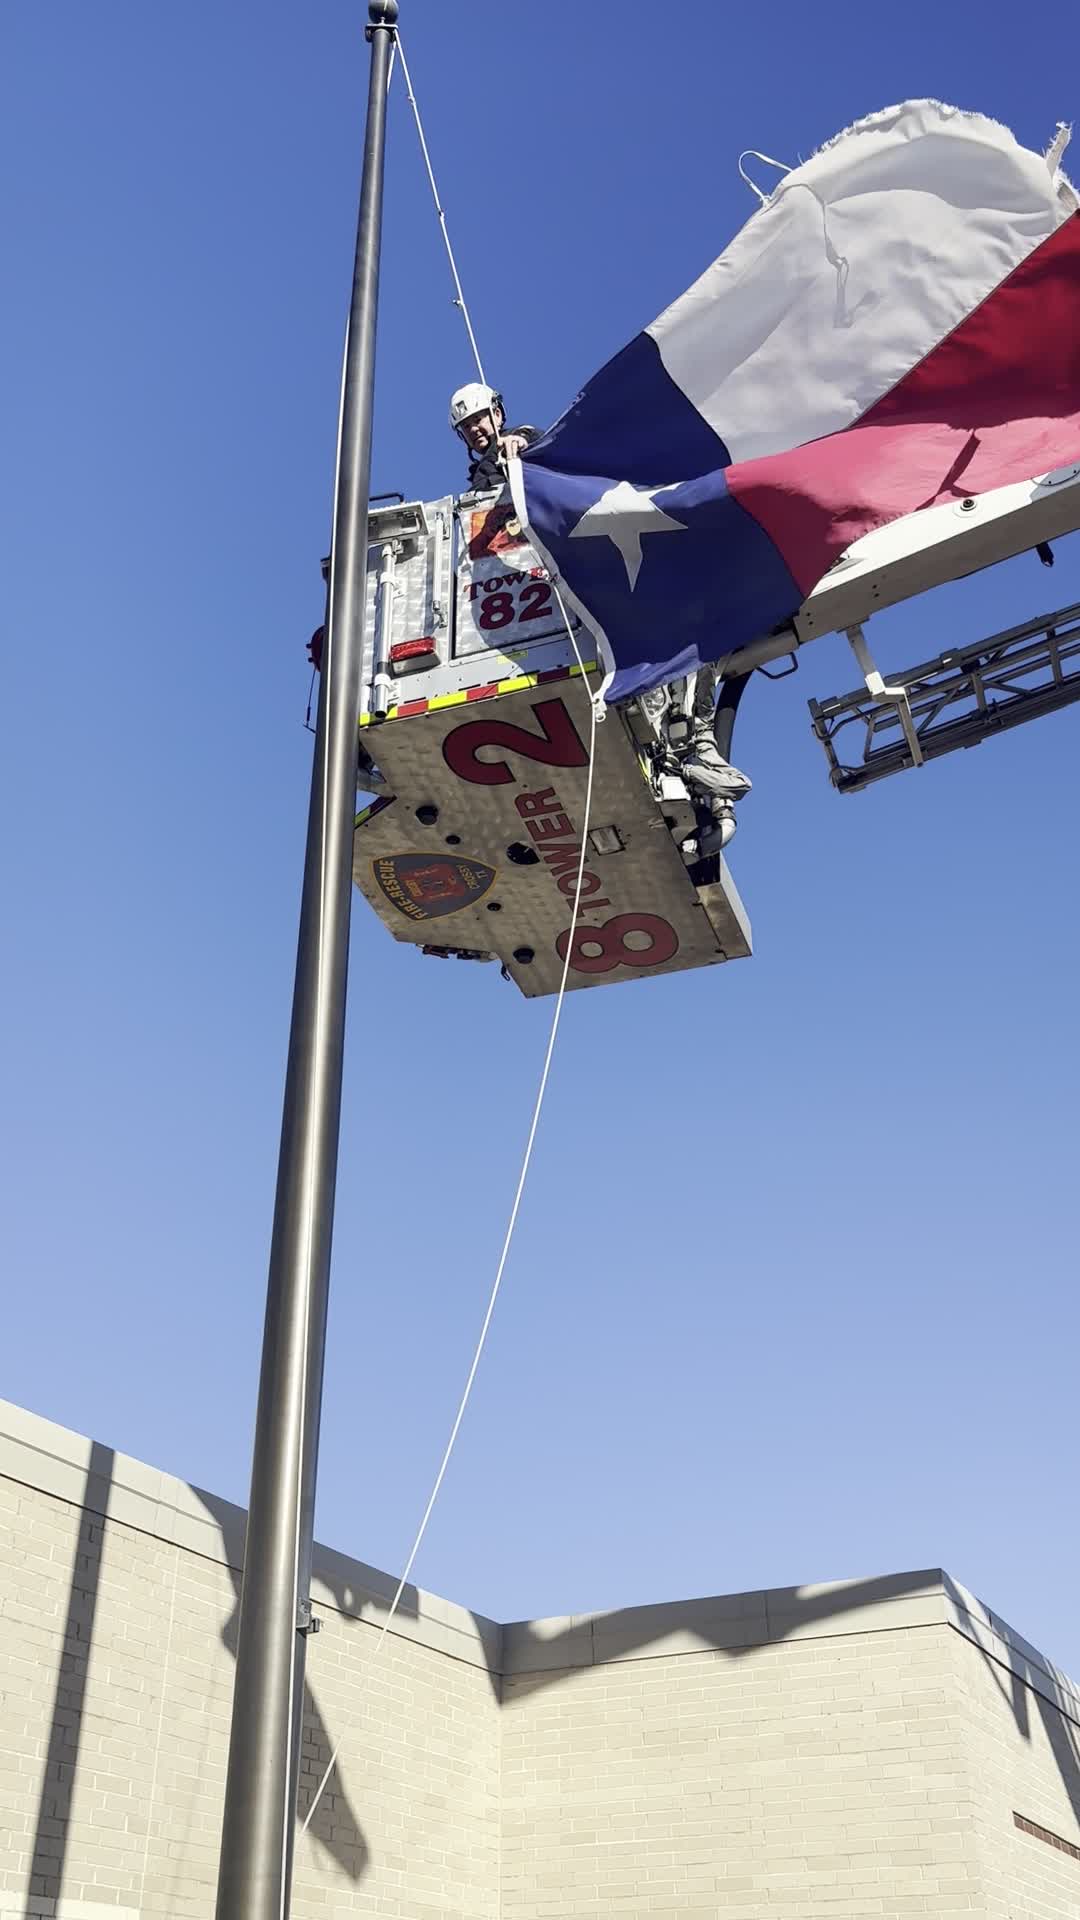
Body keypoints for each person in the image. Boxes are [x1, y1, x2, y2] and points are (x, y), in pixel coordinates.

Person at [449, 383, 539, 490]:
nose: (472, 429)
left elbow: (535, 438)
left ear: (497, 415)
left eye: (478, 420)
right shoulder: (479, 473)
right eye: (466, 426)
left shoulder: (512, 437)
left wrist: (520, 440)